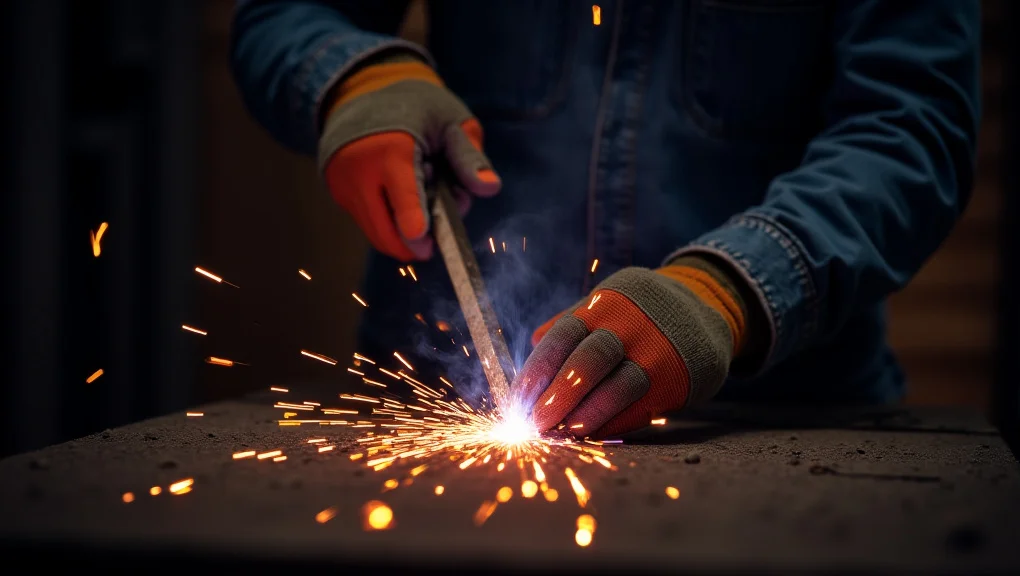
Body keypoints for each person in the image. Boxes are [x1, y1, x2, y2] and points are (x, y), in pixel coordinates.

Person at [231, 1, 980, 438]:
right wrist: (350, 75)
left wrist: (730, 291)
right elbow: (283, 11)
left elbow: (911, 127)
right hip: (433, 397)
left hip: (774, 409)